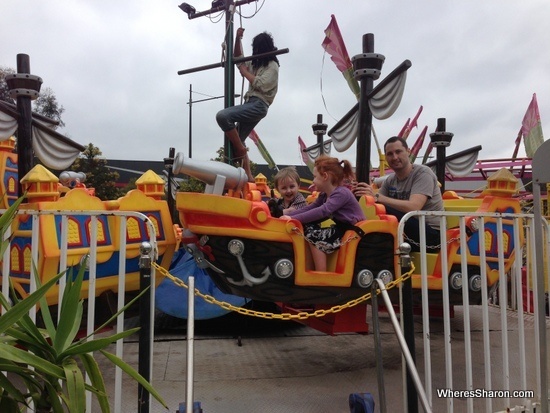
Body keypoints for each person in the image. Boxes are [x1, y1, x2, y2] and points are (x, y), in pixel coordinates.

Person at [353, 136, 444, 251]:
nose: (394, 157)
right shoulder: (390, 180)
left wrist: (376, 197)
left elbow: (414, 207)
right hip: (405, 231)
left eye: (398, 152)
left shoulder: (423, 173)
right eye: (390, 154)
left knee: (382, 211)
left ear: (408, 151)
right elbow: (374, 204)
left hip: (431, 235)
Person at [280, 155, 366, 271]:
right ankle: (308, 268)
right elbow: (311, 207)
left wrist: (294, 219)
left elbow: (323, 211)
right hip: (341, 229)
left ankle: (320, 272)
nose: (313, 180)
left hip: (351, 231)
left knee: (313, 235)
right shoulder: (325, 194)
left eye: (315, 177)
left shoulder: (341, 193)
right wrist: (289, 217)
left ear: (325, 176)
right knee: (308, 228)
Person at [216, 27, 280, 182]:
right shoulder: (256, 63)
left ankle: (241, 148)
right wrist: (238, 39)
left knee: (223, 116)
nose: (256, 52)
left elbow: (261, 84)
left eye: (258, 49)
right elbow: (239, 57)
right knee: (236, 139)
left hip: (259, 104)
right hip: (250, 102)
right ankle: (248, 175)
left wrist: (245, 72)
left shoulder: (272, 65)